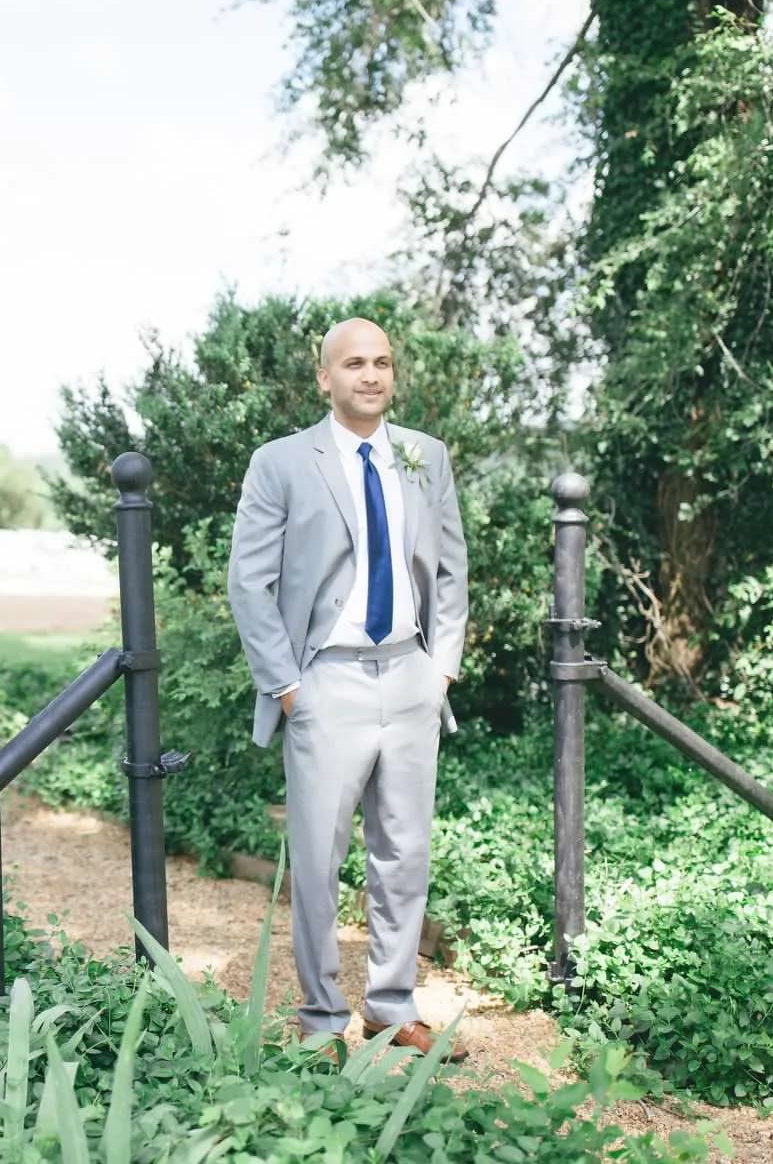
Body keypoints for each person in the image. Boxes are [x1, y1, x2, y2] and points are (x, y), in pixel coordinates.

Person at [227, 316, 470, 1062]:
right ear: (324, 378)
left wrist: (442, 668)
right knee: (319, 856)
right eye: (354, 363)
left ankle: (392, 1009)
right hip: (324, 682)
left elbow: (453, 569)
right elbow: (249, 581)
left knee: (404, 853)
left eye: (383, 362)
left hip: (410, 675)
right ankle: (321, 1017)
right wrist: (288, 686)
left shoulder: (425, 456)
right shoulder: (282, 463)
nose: (371, 375)